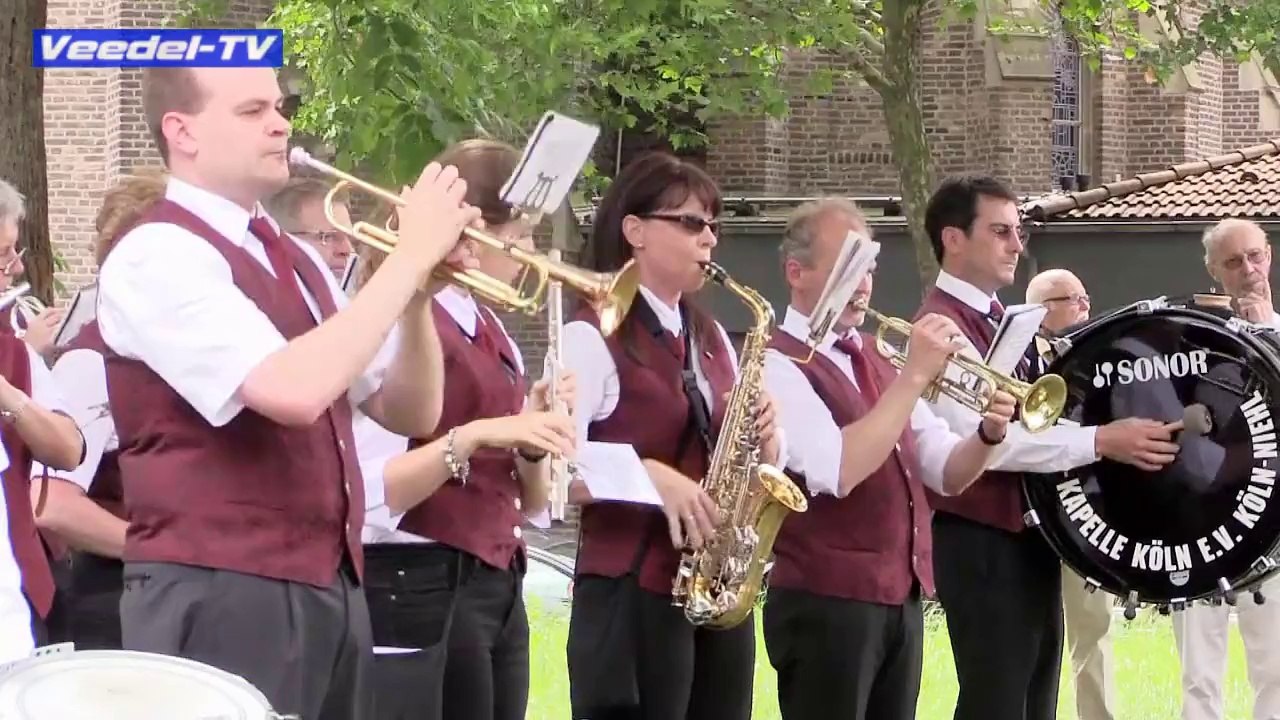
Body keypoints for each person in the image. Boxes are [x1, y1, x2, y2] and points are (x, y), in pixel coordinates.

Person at [95, 65, 479, 719]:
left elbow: (410, 410)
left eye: (280, 107)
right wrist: (409, 257)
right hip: (221, 586)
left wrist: (416, 301)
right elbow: (292, 391)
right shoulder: (155, 252)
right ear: (181, 131)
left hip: (328, 582)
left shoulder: (296, 259)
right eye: (252, 112)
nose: (281, 124)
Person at [916, 174, 1183, 720]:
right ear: (953, 239)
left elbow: (1035, 423)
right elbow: (992, 442)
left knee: (1036, 700)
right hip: (980, 539)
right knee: (997, 701)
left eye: (1018, 231)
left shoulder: (1001, 318)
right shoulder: (938, 326)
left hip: (1027, 537)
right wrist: (1104, 440)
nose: (1018, 245)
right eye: (1001, 232)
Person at [762, 197, 1022, 720]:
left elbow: (945, 471)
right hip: (825, 601)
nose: (863, 285)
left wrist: (989, 435)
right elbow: (838, 470)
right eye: (848, 269)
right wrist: (913, 379)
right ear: (797, 272)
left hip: (898, 600)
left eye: (870, 270)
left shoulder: (877, 356)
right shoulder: (776, 361)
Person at [560, 150, 782, 720]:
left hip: (713, 592)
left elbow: (739, 459)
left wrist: (765, 437)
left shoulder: (710, 335)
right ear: (634, 230)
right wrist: (649, 476)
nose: (709, 239)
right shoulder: (591, 336)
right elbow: (553, 466)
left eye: (713, 225)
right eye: (690, 223)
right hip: (630, 595)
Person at [31, 170, 168, 651]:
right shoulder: (91, 361)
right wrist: (170, 554)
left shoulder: (171, 352)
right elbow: (52, 506)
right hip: (119, 600)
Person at [1170, 218, 1280, 720]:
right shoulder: (1195, 340)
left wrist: (1267, 333)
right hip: (1203, 516)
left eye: (1255, 256)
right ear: (1214, 271)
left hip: (1272, 519)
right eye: (1233, 262)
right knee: (1199, 669)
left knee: (1276, 666)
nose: (1249, 270)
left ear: (1270, 256)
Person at [0, 178, 88, 655]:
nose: (14, 271)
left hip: (17, 595)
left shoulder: (12, 352)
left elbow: (69, 449)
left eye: (15, 252)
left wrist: (8, 396)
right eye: (3, 256)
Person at [1025, 268, 1117, 720]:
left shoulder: (1098, 356)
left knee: (1092, 629)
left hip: (1085, 514)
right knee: (1029, 641)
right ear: (1045, 309)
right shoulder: (1018, 356)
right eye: (1075, 300)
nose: (1086, 307)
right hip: (1026, 515)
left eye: (1085, 298)